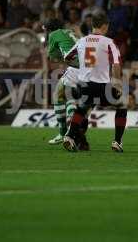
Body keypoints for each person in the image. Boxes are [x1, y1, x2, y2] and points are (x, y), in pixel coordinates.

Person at [63, 14, 127, 152]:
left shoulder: (82, 41)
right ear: (105, 26)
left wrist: (82, 66)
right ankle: (117, 141)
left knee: (83, 109)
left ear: (93, 26)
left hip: (83, 85)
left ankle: (69, 136)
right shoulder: (109, 42)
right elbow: (116, 65)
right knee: (122, 104)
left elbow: (67, 58)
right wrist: (117, 83)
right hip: (100, 86)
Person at [44, 19, 89, 150]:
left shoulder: (54, 34)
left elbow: (53, 57)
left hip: (75, 67)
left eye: (46, 30)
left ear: (49, 29)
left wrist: (60, 56)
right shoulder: (70, 32)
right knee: (72, 98)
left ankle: (65, 132)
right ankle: (74, 131)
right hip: (89, 68)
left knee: (59, 94)